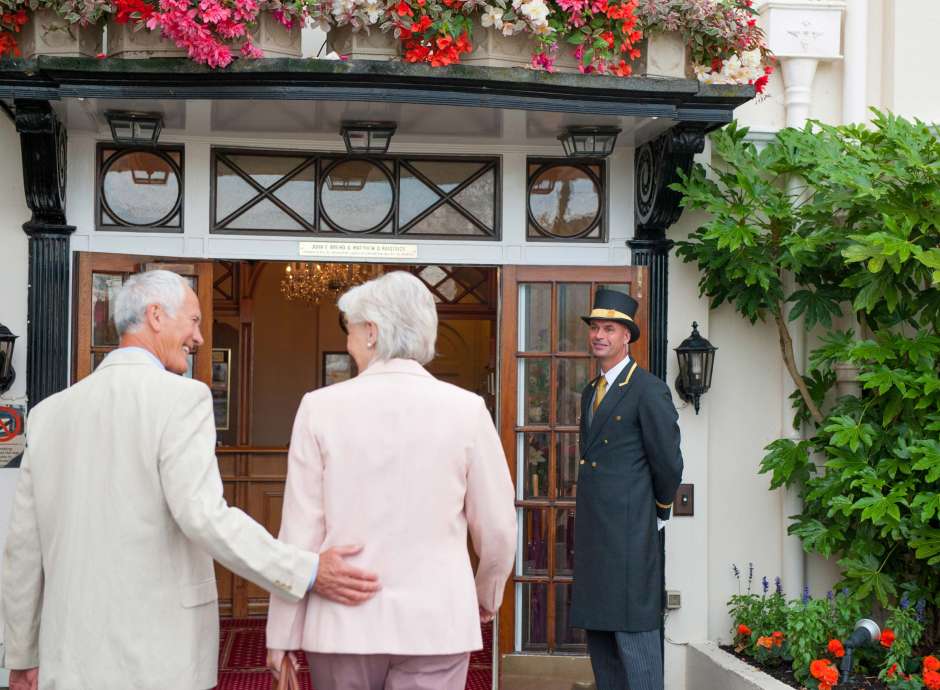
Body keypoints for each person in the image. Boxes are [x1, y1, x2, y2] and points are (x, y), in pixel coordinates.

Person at [1, 270, 380, 690]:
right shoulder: (183, 399)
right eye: (194, 320)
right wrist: (304, 569)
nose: (199, 338)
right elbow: (203, 516)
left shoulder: (49, 414)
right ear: (156, 316)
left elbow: (23, 548)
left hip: (66, 658)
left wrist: (22, 656)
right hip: (155, 658)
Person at [265, 271, 516, 690]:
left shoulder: (319, 408)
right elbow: (499, 528)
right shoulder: (467, 410)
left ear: (371, 333)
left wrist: (283, 631)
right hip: (437, 619)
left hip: (343, 622)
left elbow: (299, 533)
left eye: (350, 330)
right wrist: (485, 595)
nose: (347, 341)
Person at [569, 288, 684, 690]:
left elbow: (668, 462)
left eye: (609, 328)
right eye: (595, 328)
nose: (599, 335)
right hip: (595, 535)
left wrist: (658, 511)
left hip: (630, 533)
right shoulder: (591, 391)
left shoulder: (647, 389)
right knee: (601, 641)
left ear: (627, 337)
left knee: (635, 642)